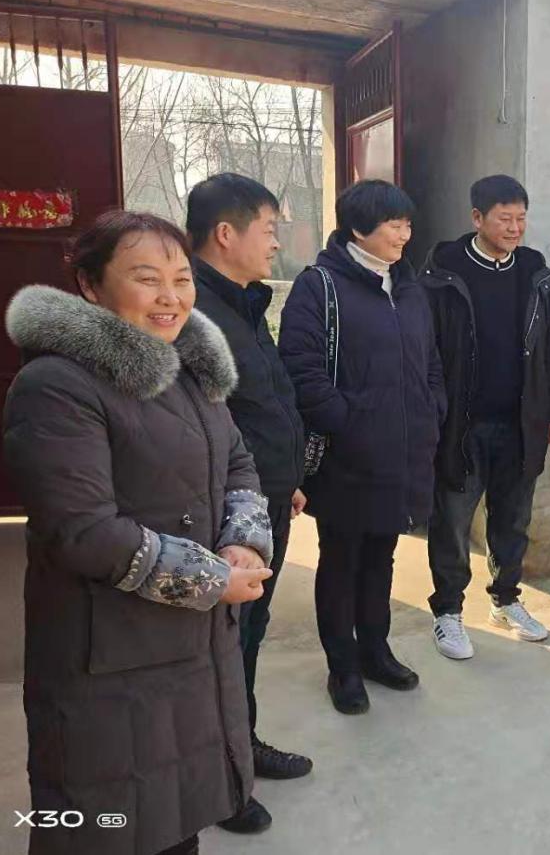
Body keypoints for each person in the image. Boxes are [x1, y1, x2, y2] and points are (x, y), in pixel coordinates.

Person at [3, 210, 273, 855]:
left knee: (177, 819)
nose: (170, 297)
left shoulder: (189, 371)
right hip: (108, 658)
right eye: (147, 279)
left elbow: (238, 462)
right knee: (105, 825)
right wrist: (211, 580)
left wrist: (242, 542)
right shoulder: (56, 385)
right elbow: (82, 530)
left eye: (182, 279)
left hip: (193, 651)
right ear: (90, 285)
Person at [279, 179, 445, 715]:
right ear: (358, 228)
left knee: (381, 558)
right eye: (394, 224)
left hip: (402, 455)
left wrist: (432, 409)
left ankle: (376, 651)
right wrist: (351, 424)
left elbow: (430, 360)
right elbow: (301, 372)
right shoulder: (320, 287)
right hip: (348, 458)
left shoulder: (409, 286)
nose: (405, 234)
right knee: (341, 561)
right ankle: (343, 666)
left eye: (407, 224)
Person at [186, 173, 312, 835]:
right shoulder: (193, 314)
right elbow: (202, 428)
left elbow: (262, 402)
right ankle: (218, 779)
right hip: (225, 517)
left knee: (248, 635)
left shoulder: (242, 302)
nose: (276, 242)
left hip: (265, 499)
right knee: (220, 644)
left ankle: (242, 744)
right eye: (268, 229)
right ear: (225, 234)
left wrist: (287, 477)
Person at [419, 175, 550, 659]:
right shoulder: (444, 271)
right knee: (453, 522)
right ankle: (447, 611)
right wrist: (431, 412)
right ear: (477, 218)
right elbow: (424, 350)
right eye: (505, 219)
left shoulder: (533, 270)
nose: (515, 228)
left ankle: (505, 600)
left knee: (513, 519)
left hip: (521, 422)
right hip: (460, 426)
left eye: (521, 218)